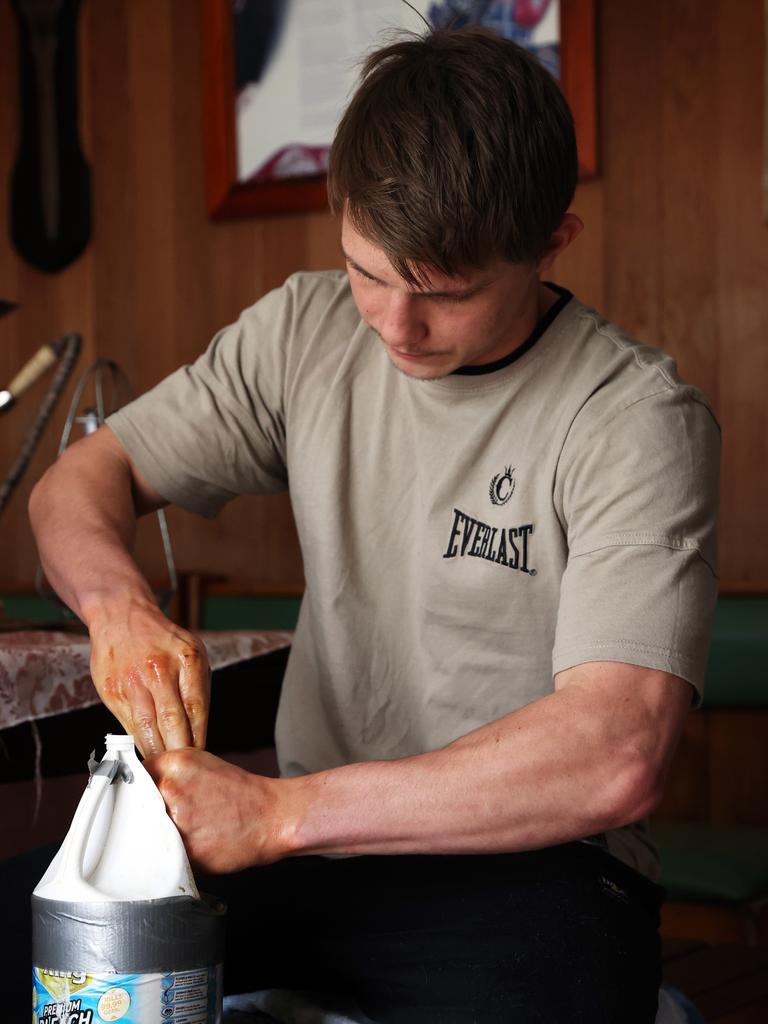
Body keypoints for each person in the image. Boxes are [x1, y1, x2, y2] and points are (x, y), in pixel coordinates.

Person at [24, 26, 719, 1023]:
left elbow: (615, 750)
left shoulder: (634, 417)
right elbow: (79, 483)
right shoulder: (306, 330)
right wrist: (117, 607)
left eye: (445, 292)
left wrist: (278, 812)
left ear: (553, 241)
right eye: (367, 270)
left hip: (532, 871)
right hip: (305, 858)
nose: (395, 327)